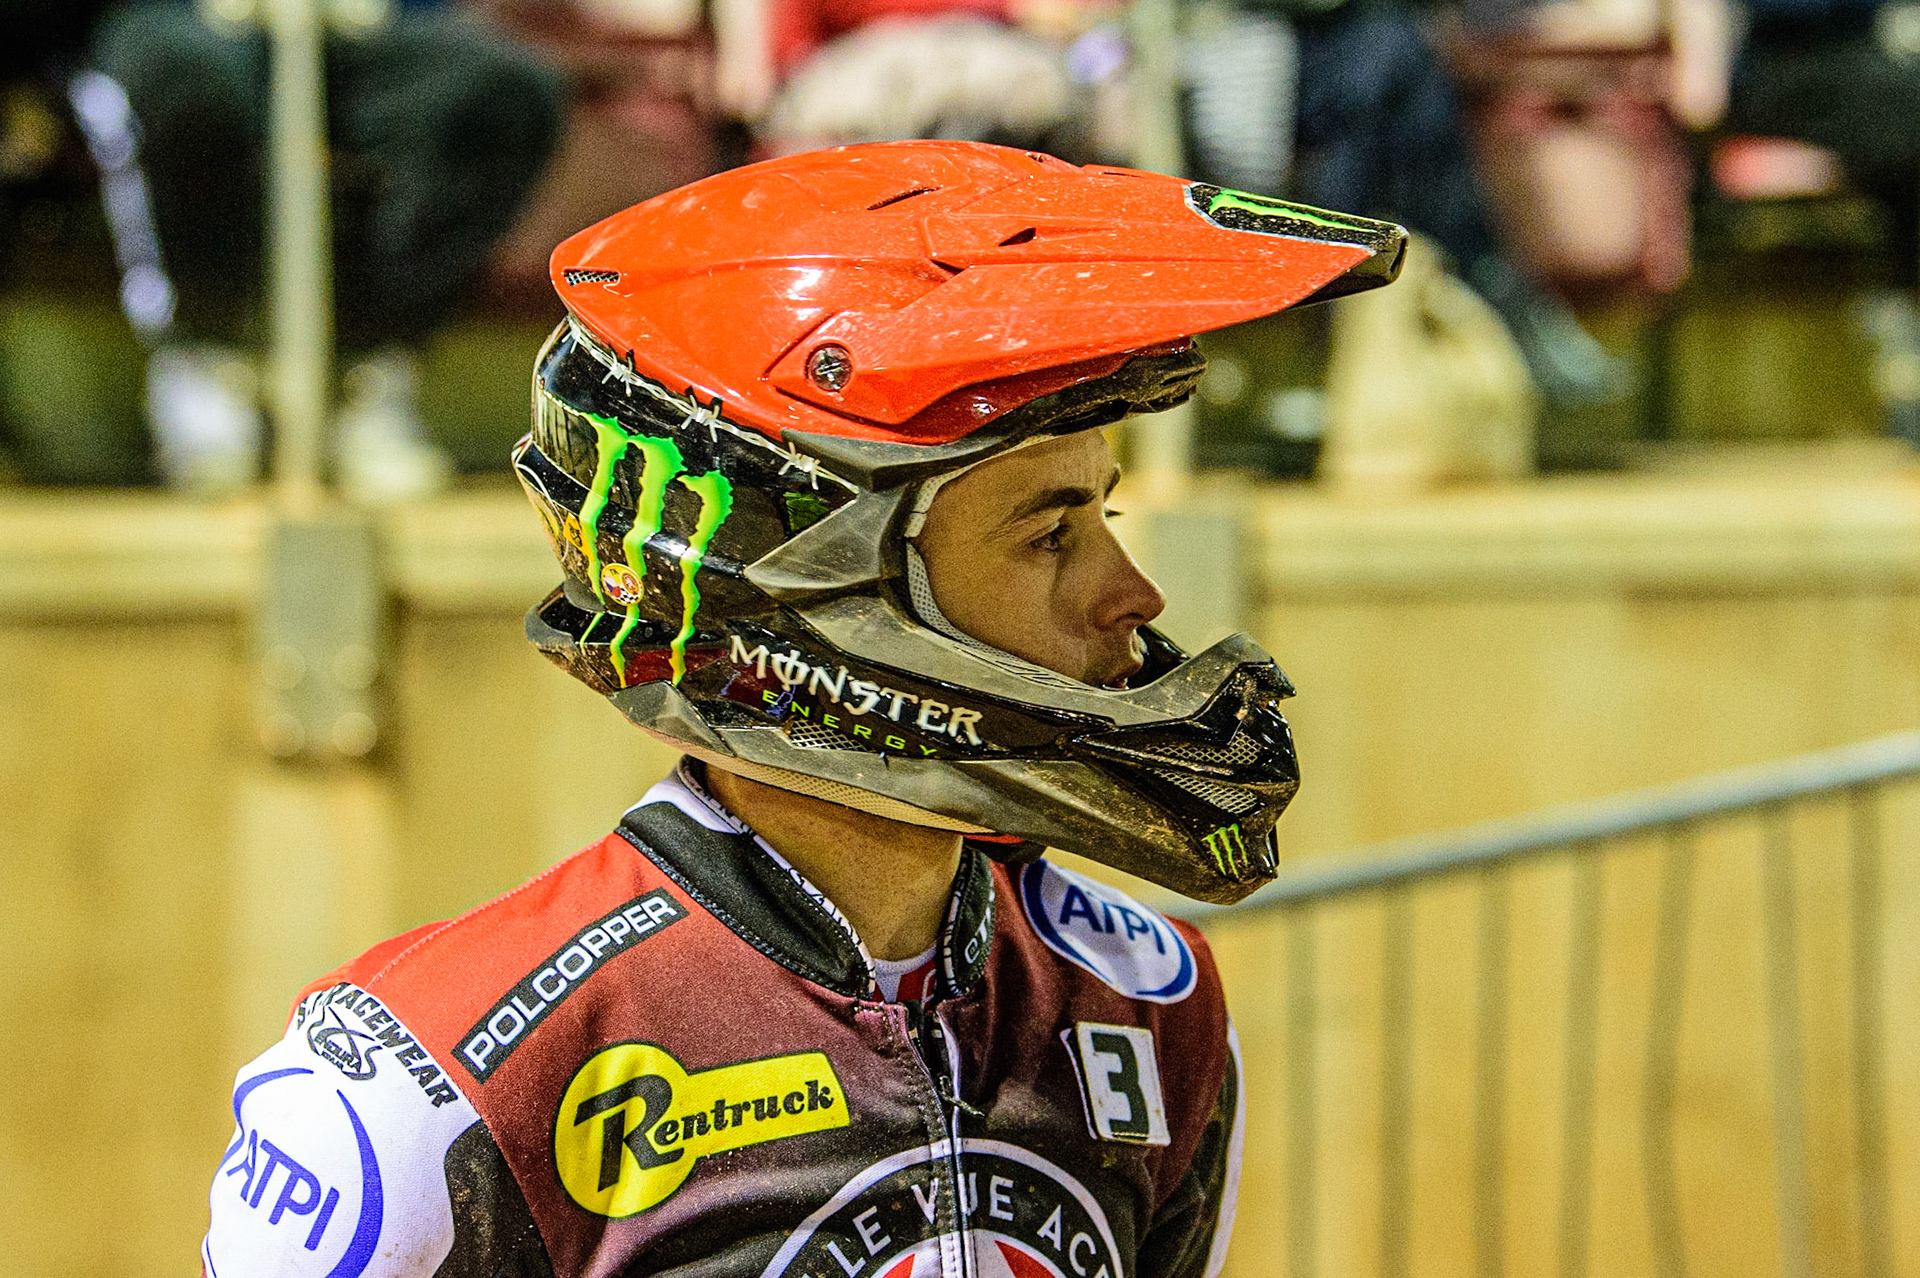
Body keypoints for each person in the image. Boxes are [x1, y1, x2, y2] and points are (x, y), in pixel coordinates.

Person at [200, 141, 1404, 1277]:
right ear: (822, 586)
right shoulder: (438, 1081)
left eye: (1108, 514)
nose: (1130, 595)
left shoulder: (1153, 1003)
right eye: (1049, 531)